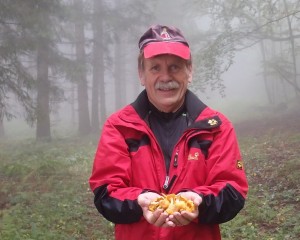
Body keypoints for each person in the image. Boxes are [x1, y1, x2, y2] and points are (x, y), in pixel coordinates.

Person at [89, 24, 248, 240]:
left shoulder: (216, 128)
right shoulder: (119, 127)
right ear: (141, 74)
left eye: (175, 67)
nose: (165, 77)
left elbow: (233, 192)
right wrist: (140, 200)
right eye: (155, 68)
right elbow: (105, 192)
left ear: (189, 71)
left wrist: (199, 201)